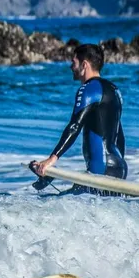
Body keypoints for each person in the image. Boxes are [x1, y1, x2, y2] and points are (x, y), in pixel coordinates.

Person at [30, 43, 127, 194]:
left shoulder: (89, 89)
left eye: (73, 62)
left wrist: (52, 159)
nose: (71, 67)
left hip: (101, 168)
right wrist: (118, 165)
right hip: (119, 166)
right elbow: (119, 136)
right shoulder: (114, 90)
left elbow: (74, 126)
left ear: (84, 65)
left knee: (58, 204)